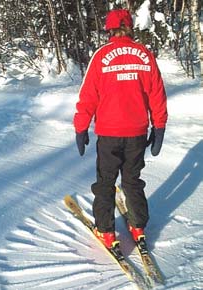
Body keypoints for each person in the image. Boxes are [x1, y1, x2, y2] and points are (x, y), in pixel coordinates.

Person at [73, 9, 168, 249]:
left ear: (109, 29)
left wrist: (81, 127)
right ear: (130, 27)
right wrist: (159, 127)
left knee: (106, 182)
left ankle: (106, 231)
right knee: (132, 180)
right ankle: (138, 226)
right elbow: (157, 95)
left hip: (109, 134)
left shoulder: (101, 55)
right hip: (137, 133)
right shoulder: (145, 55)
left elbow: (88, 96)